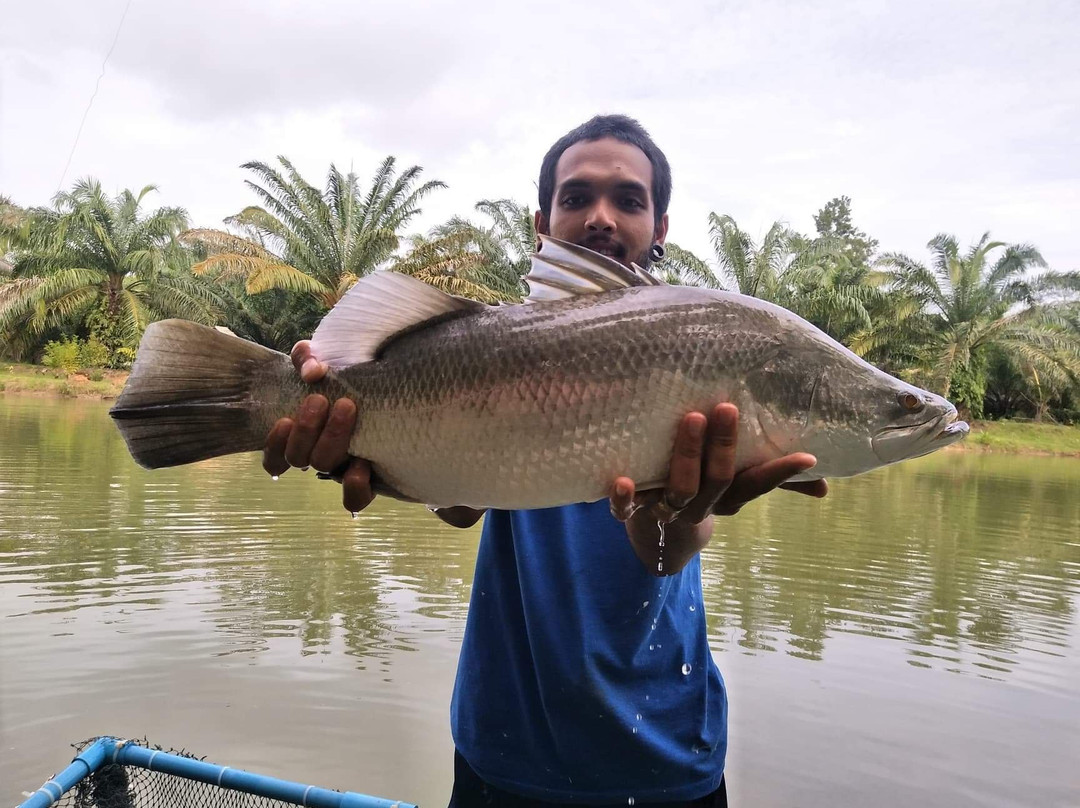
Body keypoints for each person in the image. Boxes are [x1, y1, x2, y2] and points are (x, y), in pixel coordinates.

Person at [262, 115, 828, 806]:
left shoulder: (700, 343)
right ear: (542, 221)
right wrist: (362, 446)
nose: (600, 216)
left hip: (665, 759)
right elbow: (462, 502)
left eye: (628, 199)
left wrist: (675, 512)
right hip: (505, 748)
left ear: (660, 227)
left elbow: (664, 554)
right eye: (575, 197)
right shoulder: (489, 345)